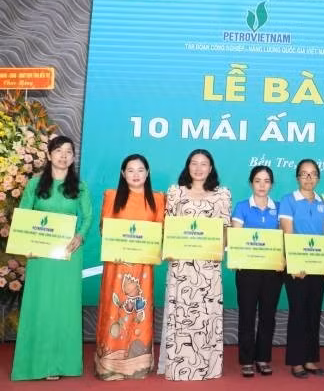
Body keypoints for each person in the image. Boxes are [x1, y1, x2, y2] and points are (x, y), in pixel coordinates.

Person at [11, 135, 92, 381]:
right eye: (58, 151)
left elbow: (88, 216)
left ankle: (59, 363)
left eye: (69, 151)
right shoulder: (35, 184)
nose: (63, 155)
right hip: (39, 256)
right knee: (41, 305)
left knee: (63, 307)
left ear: (74, 157)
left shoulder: (79, 187)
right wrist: (26, 244)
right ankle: (36, 362)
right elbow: (24, 214)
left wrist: (80, 236)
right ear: (49, 155)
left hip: (68, 255)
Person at [157, 149, 231, 381]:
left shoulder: (222, 195)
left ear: (211, 168)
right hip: (181, 268)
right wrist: (168, 248)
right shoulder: (175, 193)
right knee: (181, 314)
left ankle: (206, 367)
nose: (199, 168)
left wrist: (218, 249)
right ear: (187, 166)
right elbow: (167, 227)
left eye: (204, 164)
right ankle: (179, 366)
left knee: (206, 317)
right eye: (194, 163)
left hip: (208, 268)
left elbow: (225, 231)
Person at [95, 154, 165, 380]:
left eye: (140, 170)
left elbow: (160, 233)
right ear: (123, 174)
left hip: (143, 269)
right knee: (114, 310)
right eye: (130, 170)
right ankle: (109, 364)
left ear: (148, 173)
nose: (136, 175)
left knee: (139, 311)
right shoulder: (112, 196)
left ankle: (138, 364)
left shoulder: (157, 199)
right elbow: (104, 230)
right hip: (116, 267)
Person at [278, 159, 324, 379]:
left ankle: (310, 359)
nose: (308, 178)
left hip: (319, 266)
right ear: (297, 177)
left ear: (318, 178)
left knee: (313, 313)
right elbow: (287, 233)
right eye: (304, 174)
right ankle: (296, 361)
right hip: (297, 268)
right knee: (298, 313)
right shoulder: (288, 200)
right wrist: (295, 262)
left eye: (312, 174)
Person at [231, 166, 282, 377]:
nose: (262, 185)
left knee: (268, 316)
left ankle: (263, 358)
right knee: (247, 315)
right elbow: (236, 237)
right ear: (251, 183)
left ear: (272, 184)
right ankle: (246, 360)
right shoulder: (242, 207)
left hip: (272, 270)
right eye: (258, 180)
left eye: (267, 181)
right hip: (248, 270)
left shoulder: (279, 208)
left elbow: (283, 237)